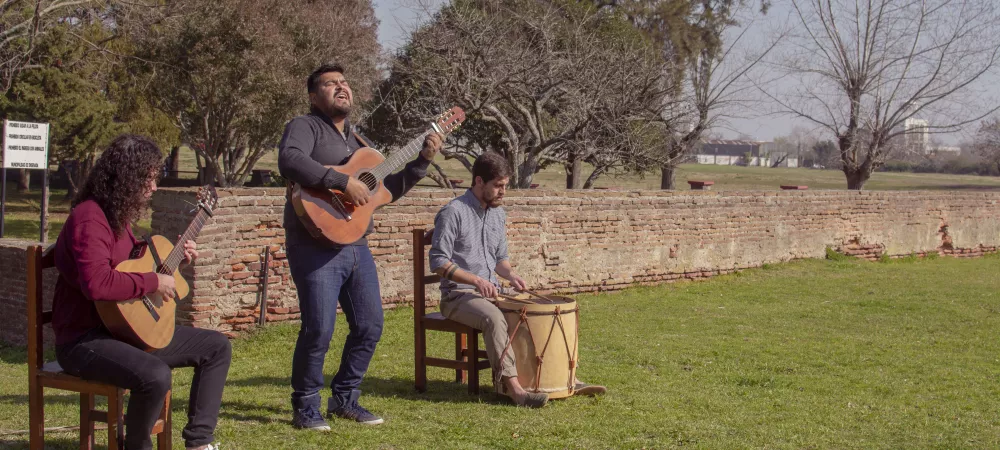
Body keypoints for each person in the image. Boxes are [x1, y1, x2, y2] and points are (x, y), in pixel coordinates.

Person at [278, 62, 442, 429]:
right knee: (318, 329)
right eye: (330, 83)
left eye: (345, 82)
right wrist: (340, 180)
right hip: (313, 244)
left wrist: (422, 162)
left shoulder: (360, 143)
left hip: (356, 246)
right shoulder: (304, 127)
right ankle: (306, 406)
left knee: (370, 325)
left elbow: (385, 192)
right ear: (313, 95)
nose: (341, 87)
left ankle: (345, 398)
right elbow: (289, 160)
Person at [52, 134, 231, 450]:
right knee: (155, 375)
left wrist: (174, 259)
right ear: (125, 178)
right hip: (84, 341)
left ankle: (200, 441)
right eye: (147, 179)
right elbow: (96, 282)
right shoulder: (89, 217)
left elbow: (133, 264)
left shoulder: (117, 218)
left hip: (127, 334)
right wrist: (153, 282)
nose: (153, 187)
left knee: (216, 347)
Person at [428, 152, 607, 408]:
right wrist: (476, 281)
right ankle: (515, 391)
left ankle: (560, 379)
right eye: (498, 186)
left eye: (505, 186)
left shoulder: (498, 214)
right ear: (479, 181)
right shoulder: (453, 212)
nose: (503, 192)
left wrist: (510, 274)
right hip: (458, 296)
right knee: (493, 318)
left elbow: (500, 259)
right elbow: (438, 262)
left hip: (493, 293)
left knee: (537, 310)